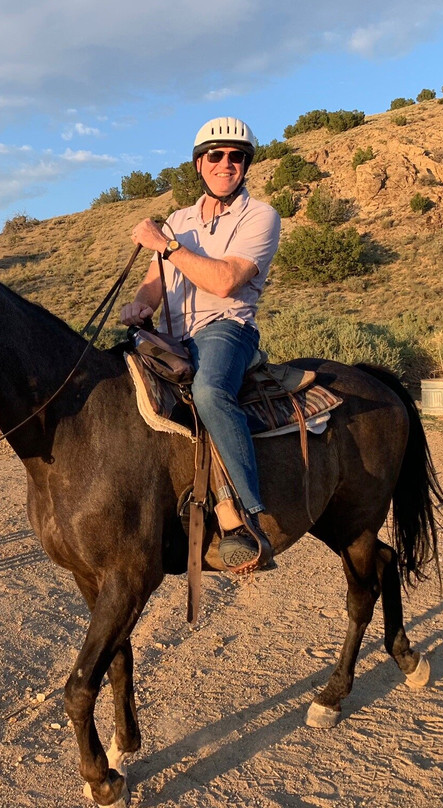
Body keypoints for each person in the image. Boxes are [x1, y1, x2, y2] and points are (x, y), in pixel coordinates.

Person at [121, 116, 281, 574]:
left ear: (246, 165)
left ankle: (245, 518)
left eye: (236, 157)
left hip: (225, 329)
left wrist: (167, 246)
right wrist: (140, 304)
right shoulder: (179, 220)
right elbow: (155, 281)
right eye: (216, 155)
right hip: (171, 336)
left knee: (209, 392)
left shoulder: (261, 216)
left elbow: (226, 280)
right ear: (199, 164)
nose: (225, 163)